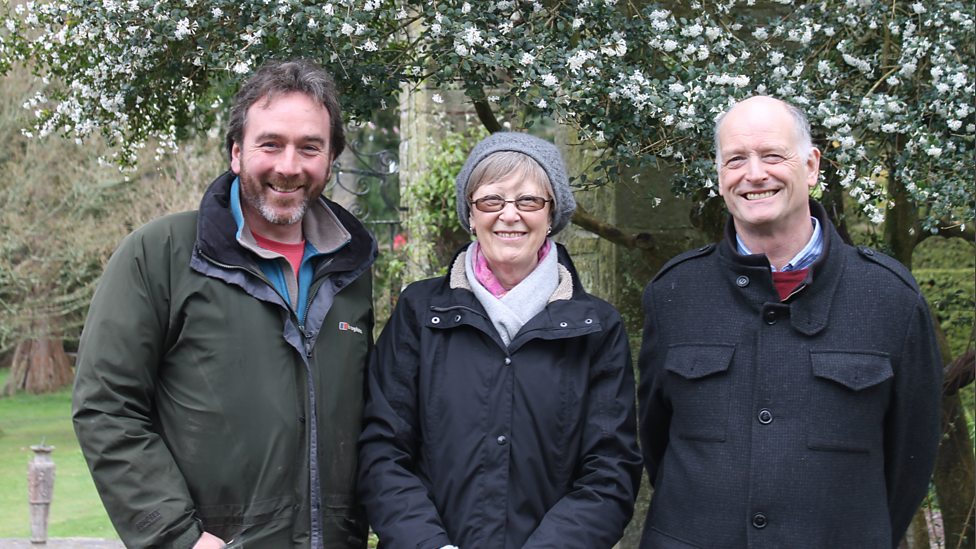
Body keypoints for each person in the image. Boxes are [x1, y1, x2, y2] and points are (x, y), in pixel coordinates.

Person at [72, 59, 376, 548]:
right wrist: (176, 535)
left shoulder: (352, 269)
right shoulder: (160, 253)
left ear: (330, 159)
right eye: (270, 143)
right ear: (236, 153)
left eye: (309, 148)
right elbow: (107, 406)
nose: (289, 166)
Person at [637, 95, 943, 548]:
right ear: (720, 177)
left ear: (811, 166)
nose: (754, 174)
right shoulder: (675, 294)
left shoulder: (889, 299)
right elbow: (655, 438)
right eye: (736, 159)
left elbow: (909, 461)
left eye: (772, 156)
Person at [358, 132, 642, 548]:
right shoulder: (420, 313)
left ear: (552, 215)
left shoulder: (596, 327)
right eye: (491, 200)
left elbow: (610, 469)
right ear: (470, 214)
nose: (510, 215)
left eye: (529, 201)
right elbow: (384, 449)